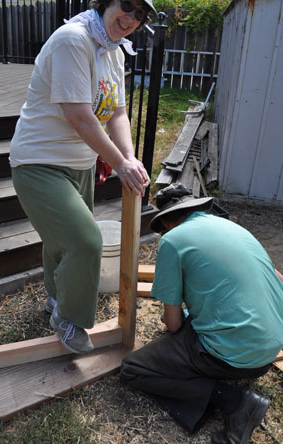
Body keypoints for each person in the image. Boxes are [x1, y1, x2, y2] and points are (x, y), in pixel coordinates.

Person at [9, 0, 154, 355]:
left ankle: (55, 300)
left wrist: (129, 157)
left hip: (79, 164)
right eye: (126, 4)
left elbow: (117, 113)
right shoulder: (74, 40)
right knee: (86, 241)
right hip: (38, 162)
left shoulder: (114, 51)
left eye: (140, 14)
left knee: (62, 240)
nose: (131, 18)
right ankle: (69, 319)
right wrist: (119, 164)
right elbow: (79, 115)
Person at [120, 183, 283, 444]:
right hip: (270, 349)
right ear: (197, 207)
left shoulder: (172, 240)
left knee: (133, 369)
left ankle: (235, 402)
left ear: (167, 223)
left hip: (233, 357)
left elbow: (172, 324)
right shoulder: (235, 228)